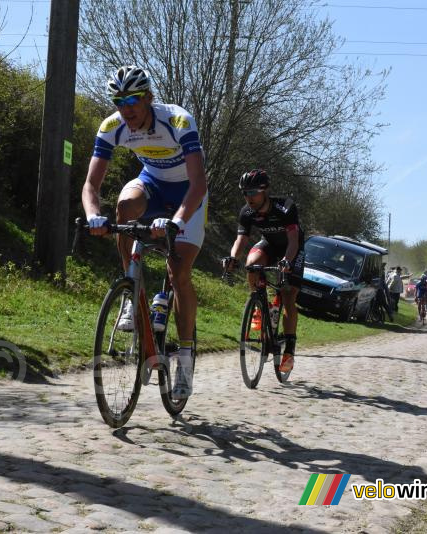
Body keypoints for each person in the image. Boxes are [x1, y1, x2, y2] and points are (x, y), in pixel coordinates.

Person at [82, 66, 208, 400]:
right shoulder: (113, 126)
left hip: (187, 194)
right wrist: (93, 215)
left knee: (179, 273)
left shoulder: (178, 121)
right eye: (120, 101)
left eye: (134, 100)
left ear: (150, 98)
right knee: (124, 208)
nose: (127, 109)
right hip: (152, 183)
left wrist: (178, 222)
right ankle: (130, 288)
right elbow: (92, 183)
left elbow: (198, 184)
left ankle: (184, 358)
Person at [224, 169, 304, 373]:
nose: (248, 197)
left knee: (288, 297)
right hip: (269, 244)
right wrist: (233, 257)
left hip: (292, 249)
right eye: (245, 193)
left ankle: (289, 350)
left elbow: (294, 240)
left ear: (265, 191)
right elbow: (241, 239)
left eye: (252, 193)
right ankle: (260, 305)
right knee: (252, 264)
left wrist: (287, 260)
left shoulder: (284, 207)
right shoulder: (247, 212)